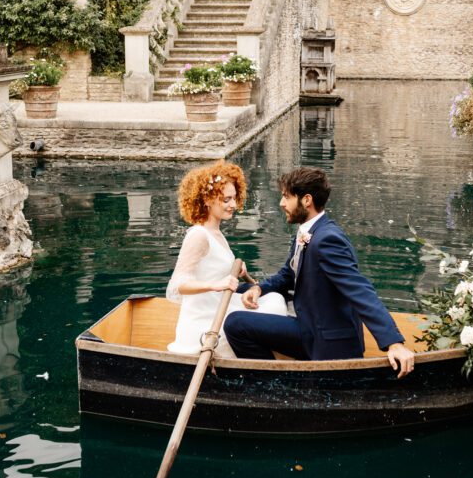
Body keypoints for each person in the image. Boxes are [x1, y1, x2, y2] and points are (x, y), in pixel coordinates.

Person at [224, 166, 415, 377]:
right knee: (242, 296)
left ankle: (274, 383)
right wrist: (259, 288)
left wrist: (394, 342)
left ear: (306, 200)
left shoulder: (327, 240)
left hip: (326, 339)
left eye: (286, 197)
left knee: (235, 324)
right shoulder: (308, 230)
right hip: (310, 325)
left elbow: (359, 289)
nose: (281, 203)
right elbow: (288, 274)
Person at [166, 160, 287, 356]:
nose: (234, 205)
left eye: (234, 198)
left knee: (274, 300)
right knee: (272, 308)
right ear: (207, 200)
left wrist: (239, 272)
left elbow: (214, 269)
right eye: (226, 200)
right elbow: (176, 287)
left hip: (220, 308)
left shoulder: (217, 234)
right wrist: (216, 284)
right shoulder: (198, 235)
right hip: (206, 321)